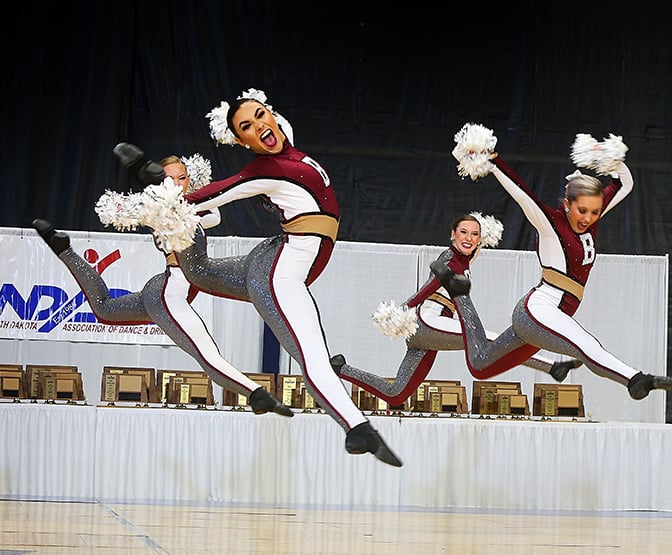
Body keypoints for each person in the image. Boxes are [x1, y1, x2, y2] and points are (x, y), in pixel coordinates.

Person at [116, 89, 400, 466]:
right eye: (246, 127)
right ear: (240, 141)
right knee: (313, 358)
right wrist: (154, 182)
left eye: (261, 115)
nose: (260, 126)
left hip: (272, 255)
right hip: (278, 275)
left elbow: (280, 127)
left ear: (273, 114)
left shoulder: (288, 144)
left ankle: (355, 429)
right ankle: (357, 429)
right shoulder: (265, 171)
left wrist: (250, 111)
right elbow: (209, 197)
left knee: (202, 273)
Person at [31, 154, 292, 417]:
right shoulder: (159, 214)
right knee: (207, 355)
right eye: (168, 179)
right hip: (171, 292)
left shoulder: (193, 211)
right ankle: (256, 394)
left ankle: (64, 249)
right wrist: (167, 198)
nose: (177, 184)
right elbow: (195, 218)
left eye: (182, 178)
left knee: (105, 308)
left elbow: (214, 216)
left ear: (190, 181)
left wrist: (193, 195)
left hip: (162, 286)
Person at [433, 126, 672, 400]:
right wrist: (493, 161)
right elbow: (521, 193)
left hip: (549, 317)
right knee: (583, 344)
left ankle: (459, 296)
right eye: (582, 210)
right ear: (567, 204)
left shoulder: (590, 222)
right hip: (537, 312)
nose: (588, 218)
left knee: (480, 364)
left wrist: (607, 157)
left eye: (595, 212)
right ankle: (636, 379)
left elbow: (624, 184)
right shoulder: (551, 224)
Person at [330, 213, 582, 406]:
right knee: (488, 341)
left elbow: (474, 249)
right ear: (453, 234)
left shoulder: (465, 257)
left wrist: (484, 231)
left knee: (396, 394)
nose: (469, 238)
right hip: (428, 322)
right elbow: (429, 287)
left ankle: (341, 369)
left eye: (474, 234)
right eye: (463, 232)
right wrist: (404, 310)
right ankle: (552, 366)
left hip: (425, 335)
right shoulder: (450, 260)